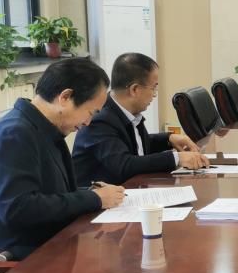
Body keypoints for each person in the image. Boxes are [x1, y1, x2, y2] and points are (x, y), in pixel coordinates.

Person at [0, 57, 124, 260]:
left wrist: (91, 192)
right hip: (21, 260)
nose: (88, 122)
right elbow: (18, 208)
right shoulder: (14, 134)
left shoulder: (46, 129)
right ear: (65, 97)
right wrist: (94, 199)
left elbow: (48, 192)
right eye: (90, 112)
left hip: (52, 243)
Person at [74, 52, 209, 185]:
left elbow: (135, 144)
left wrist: (169, 139)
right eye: (153, 88)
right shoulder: (100, 120)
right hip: (100, 197)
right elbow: (124, 164)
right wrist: (176, 158)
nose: (154, 95)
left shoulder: (125, 112)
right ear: (135, 90)